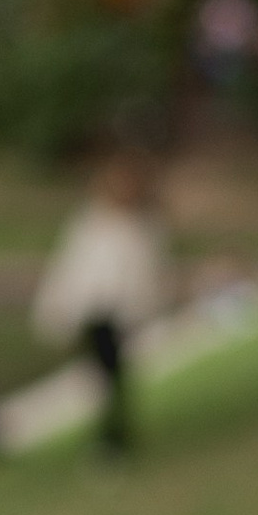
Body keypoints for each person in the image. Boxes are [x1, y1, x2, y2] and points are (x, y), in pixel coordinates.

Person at [30, 151, 170, 452]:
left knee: (113, 379)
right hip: (92, 313)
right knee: (102, 380)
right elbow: (71, 270)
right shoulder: (90, 223)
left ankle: (114, 439)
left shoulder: (140, 226)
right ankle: (110, 438)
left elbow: (146, 275)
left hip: (121, 314)